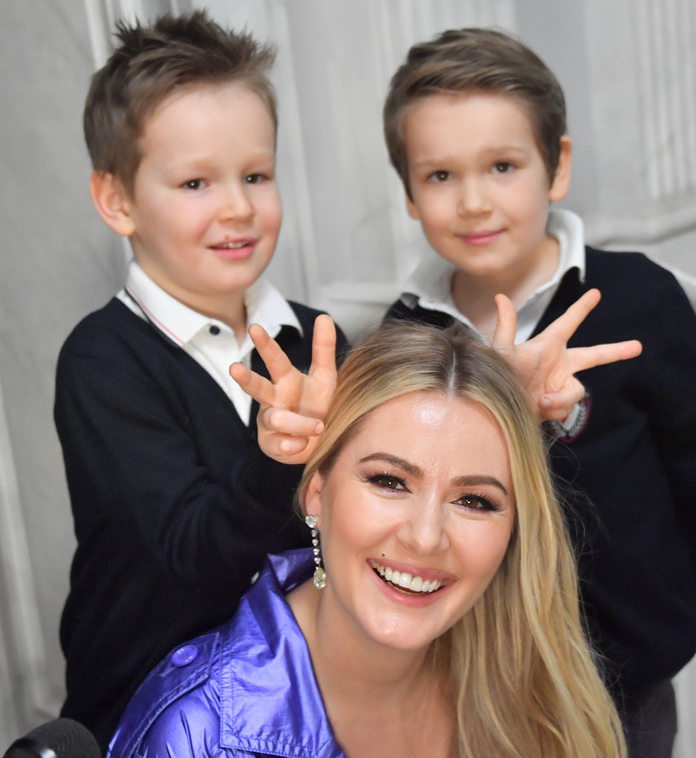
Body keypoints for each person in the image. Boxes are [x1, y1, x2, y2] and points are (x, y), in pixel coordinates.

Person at [373, 28, 696, 758]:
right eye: (440, 175)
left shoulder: (638, 299)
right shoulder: (407, 334)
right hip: (468, 682)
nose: (473, 201)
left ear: (556, 166)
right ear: (410, 194)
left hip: (625, 690)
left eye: (502, 166)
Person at [109, 323, 626, 758]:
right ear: (316, 493)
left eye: (474, 500)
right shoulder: (196, 732)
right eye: (389, 481)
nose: (425, 538)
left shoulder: (539, 693)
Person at [52, 10, 349, 749]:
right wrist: (277, 457)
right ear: (118, 200)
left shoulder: (315, 339)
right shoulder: (102, 361)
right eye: (195, 182)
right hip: (157, 709)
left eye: (255, 175)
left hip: (300, 701)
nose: (238, 207)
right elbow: (194, 557)